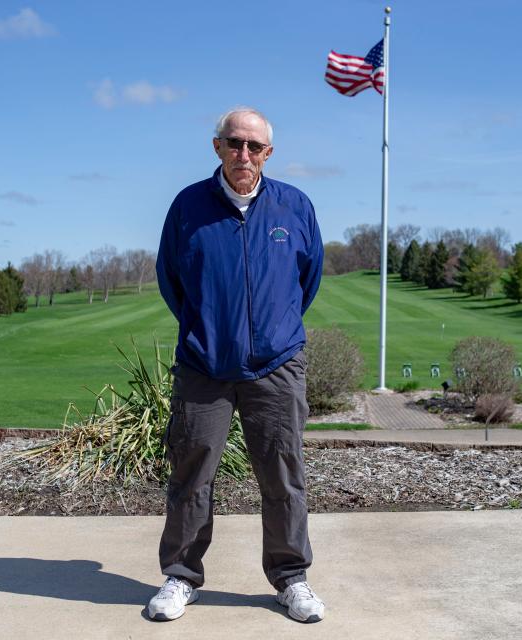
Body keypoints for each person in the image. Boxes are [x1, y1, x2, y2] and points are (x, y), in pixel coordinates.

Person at [148, 107, 325, 623]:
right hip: (204, 365)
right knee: (190, 473)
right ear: (217, 146)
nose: (243, 154)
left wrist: (270, 332)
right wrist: (209, 330)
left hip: (277, 365)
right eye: (234, 143)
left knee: (283, 473)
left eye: (254, 146)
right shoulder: (188, 207)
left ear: (268, 153)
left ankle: (291, 578)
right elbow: (170, 280)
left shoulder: (295, 206)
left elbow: (307, 281)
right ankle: (181, 576)